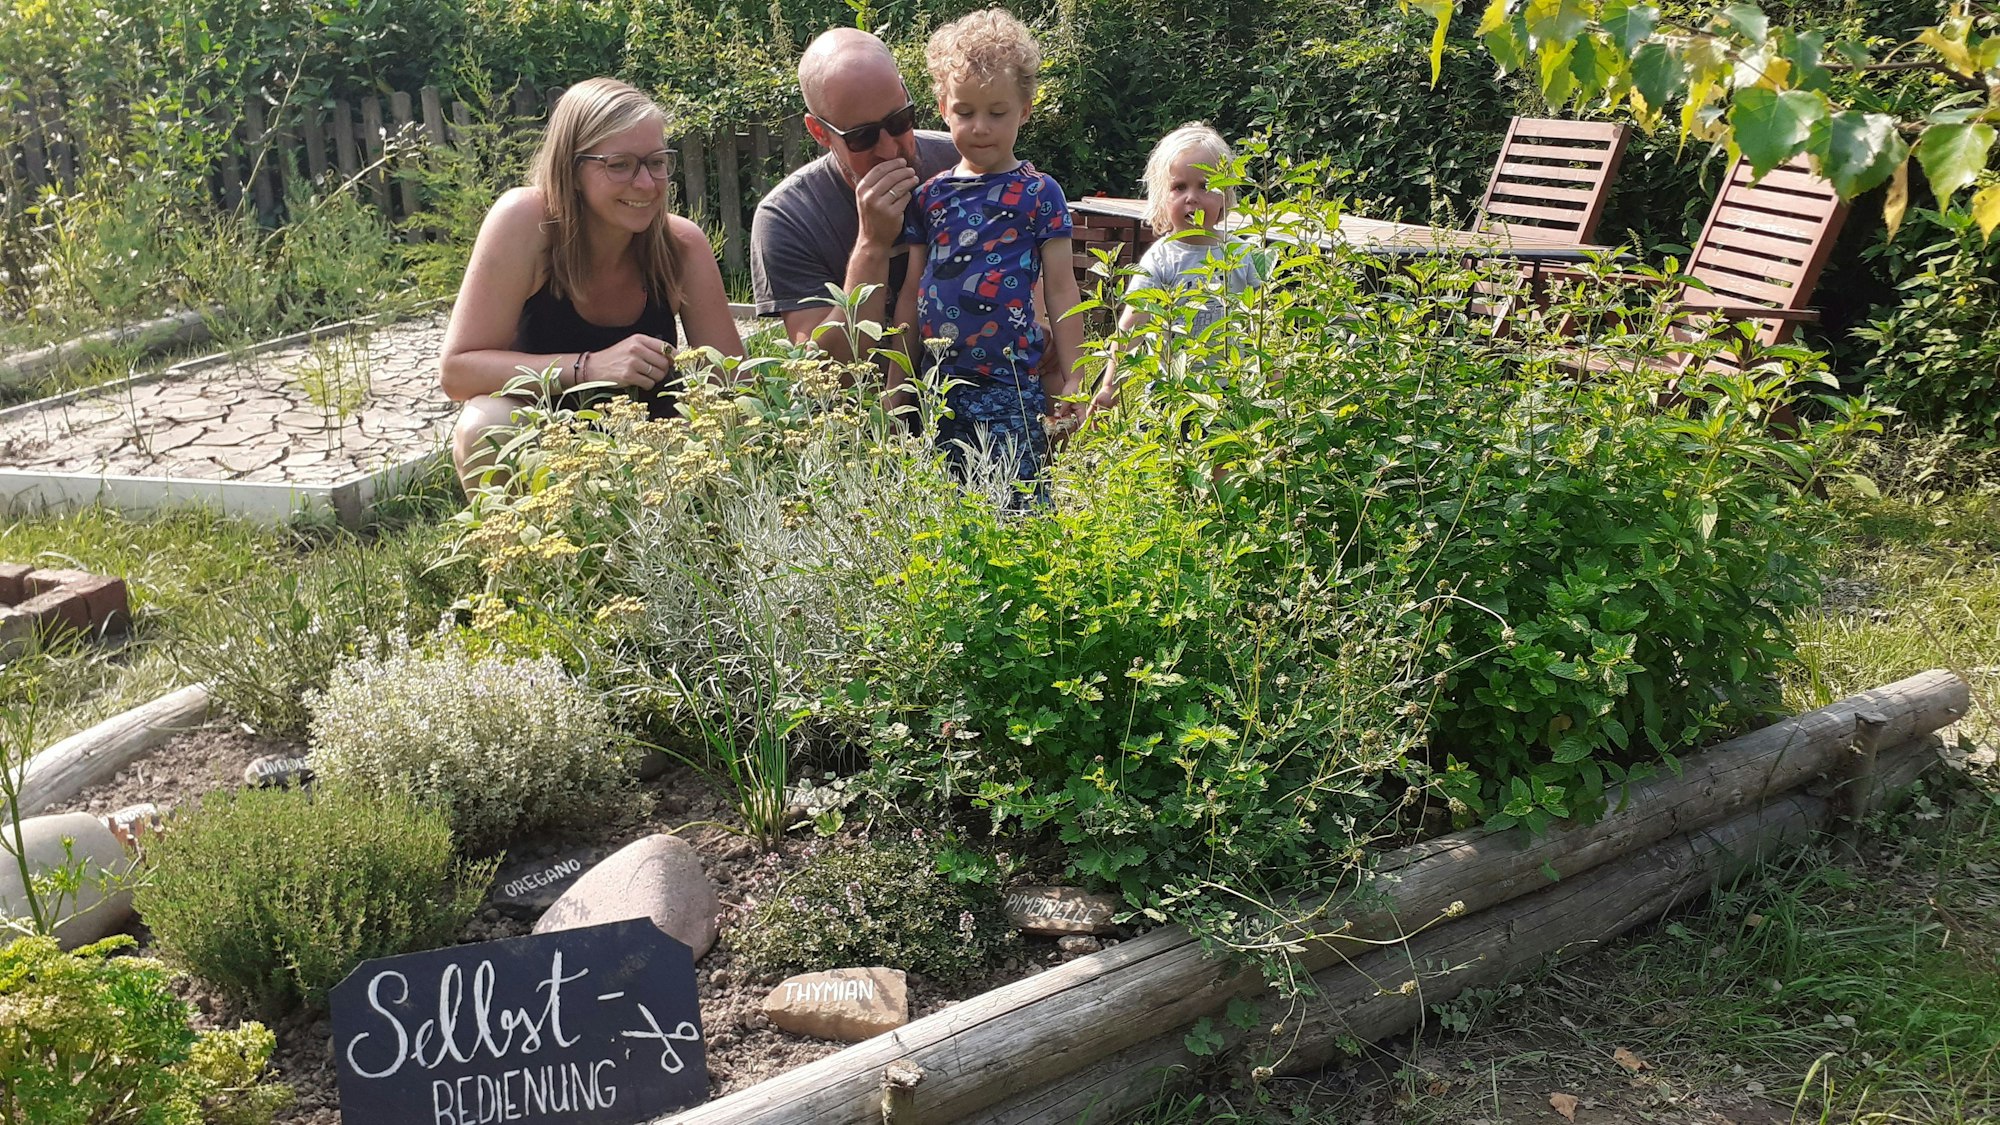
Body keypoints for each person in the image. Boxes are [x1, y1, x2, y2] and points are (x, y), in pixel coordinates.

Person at [439, 77, 743, 492]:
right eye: (619, 165)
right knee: (483, 424)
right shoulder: (524, 222)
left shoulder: (682, 245)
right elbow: (458, 372)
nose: (646, 184)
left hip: (655, 449)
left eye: (656, 162)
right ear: (572, 168)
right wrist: (590, 367)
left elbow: (732, 386)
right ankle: (529, 555)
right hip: (545, 440)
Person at [892, 8, 1083, 489]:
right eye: (965, 112)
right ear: (942, 106)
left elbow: (1061, 289)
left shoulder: (1040, 193)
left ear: (1024, 110)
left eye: (997, 113)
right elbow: (914, 291)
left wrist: (1077, 377)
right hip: (938, 386)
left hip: (1012, 385)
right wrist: (897, 385)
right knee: (948, 516)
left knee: (1018, 509)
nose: (980, 127)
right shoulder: (929, 196)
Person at [749, 28, 960, 362]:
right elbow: (831, 374)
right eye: (862, 137)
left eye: (899, 120)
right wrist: (872, 245)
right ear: (820, 132)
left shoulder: (962, 163)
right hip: (868, 410)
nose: (890, 149)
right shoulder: (788, 217)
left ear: (905, 92)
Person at [1086, 123, 1267, 420]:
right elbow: (1131, 327)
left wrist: (1272, 382)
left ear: (1226, 194)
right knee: (1171, 465)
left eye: (1205, 186)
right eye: (1179, 187)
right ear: (1162, 197)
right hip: (1170, 393)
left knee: (1229, 463)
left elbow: (1265, 324)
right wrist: (1109, 385)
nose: (1191, 198)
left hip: (1232, 391)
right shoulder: (1161, 259)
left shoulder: (1244, 256)